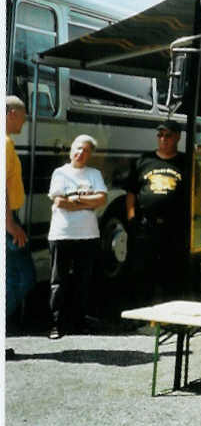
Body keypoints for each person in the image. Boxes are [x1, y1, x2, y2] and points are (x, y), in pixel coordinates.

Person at [47, 134, 107, 339]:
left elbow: (102, 199)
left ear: (90, 154)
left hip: (88, 235)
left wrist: (75, 199)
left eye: (86, 150)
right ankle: (56, 324)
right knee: (58, 282)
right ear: (71, 149)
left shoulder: (94, 173)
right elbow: (59, 201)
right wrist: (87, 201)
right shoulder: (60, 173)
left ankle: (79, 322)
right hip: (61, 234)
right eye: (78, 148)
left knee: (83, 281)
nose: (81, 153)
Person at [126, 120, 189, 303]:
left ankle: (170, 315)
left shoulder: (185, 161)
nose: (163, 139)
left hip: (174, 228)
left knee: (172, 272)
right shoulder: (143, 160)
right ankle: (143, 312)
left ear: (178, 137)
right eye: (160, 135)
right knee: (143, 271)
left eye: (168, 135)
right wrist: (131, 218)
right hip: (147, 226)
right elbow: (131, 192)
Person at [6, 96, 33, 357]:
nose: (25, 120)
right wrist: (10, 223)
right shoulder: (4, 144)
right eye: (23, 115)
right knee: (22, 277)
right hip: (7, 222)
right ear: (11, 112)